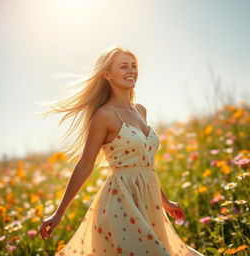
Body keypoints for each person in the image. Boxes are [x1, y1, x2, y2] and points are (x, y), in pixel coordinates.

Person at [39, 46, 205, 255]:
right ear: (106, 74)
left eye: (134, 66)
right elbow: (85, 165)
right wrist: (59, 212)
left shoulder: (141, 110)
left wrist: (165, 201)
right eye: (123, 66)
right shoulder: (104, 115)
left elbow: (144, 165)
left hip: (149, 202)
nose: (131, 70)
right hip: (120, 201)